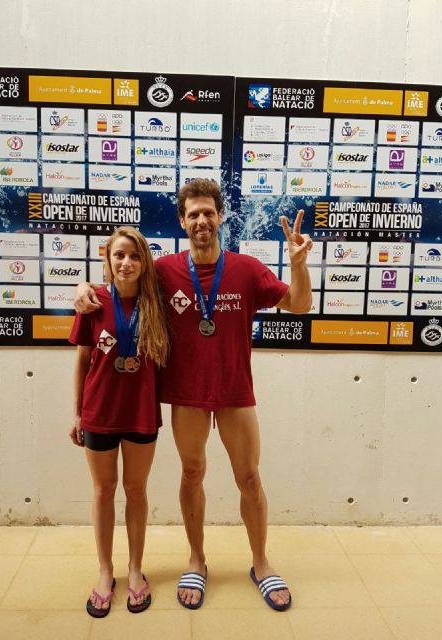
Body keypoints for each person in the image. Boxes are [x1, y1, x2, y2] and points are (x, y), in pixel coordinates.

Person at [74, 179, 312, 612]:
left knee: (250, 478)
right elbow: (121, 282)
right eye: (193, 214)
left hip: (235, 393)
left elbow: (298, 304)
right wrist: (84, 289)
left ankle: (261, 563)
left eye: (208, 212)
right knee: (192, 473)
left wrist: (298, 265)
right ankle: (196, 560)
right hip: (185, 395)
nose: (201, 220)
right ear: (182, 221)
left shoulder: (247, 269)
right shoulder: (164, 271)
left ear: (220, 217)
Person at [69, 226, 168, 617]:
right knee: (103, 490)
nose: (127, 262)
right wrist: (77, 413)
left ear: (145, 262)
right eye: (119, 255)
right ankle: (106, 571)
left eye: (135, 255)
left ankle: (136, 568)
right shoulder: (92, 303)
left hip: (141, 413)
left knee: (136, 490)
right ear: (108, 260)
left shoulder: (157, 303)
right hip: (100, 413)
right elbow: (82, 361)